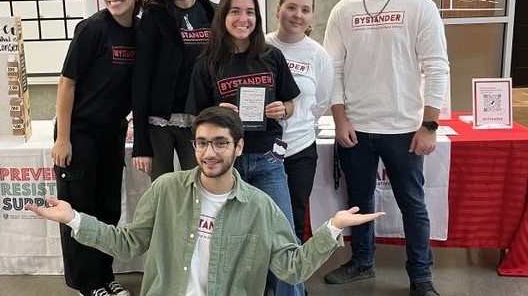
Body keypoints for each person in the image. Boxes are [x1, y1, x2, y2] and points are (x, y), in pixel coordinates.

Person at [27, 106, 386, 296]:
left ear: (238, 146)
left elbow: (291, 269)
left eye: (220, 143)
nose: (209, 153)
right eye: (201, 143)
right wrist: (74, 218)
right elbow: (129, 242)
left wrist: (333, 228)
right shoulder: (167, 189)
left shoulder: (260, 207)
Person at [322, 0, 449, 296]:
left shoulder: (419, 5)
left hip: (405, 128)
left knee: (413, 205)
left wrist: (429, 124)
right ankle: (362, 262)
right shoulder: (343, 10)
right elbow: (335, 69)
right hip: (356, 129)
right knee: (359, 204)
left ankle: (421, 276)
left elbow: (437, 67)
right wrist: (340, 118)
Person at [186, 0, 302, 296]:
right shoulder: (207, 63)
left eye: (250, 12)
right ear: (223, 16)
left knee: (283, 239)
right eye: (235, 11)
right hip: (225, 168)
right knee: (227, 242)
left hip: (266, 160)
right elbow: (195, 120)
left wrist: (283, 109)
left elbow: (290, 103)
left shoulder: (271, 56)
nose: (243, 18)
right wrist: (214, 113)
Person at [51, 0, 143, 296]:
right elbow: (66, 83)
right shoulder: (92, 28)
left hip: (113, 133)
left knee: (107, 208)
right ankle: (87, 283)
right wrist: (64, 137)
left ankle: (105, 275)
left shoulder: (140, 31)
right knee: (79, 209)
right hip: (79, 132)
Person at [132, 0, 216, 180]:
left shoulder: (213, 12)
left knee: (199, 188)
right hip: (159, 122)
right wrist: (141, 145)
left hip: (199, 120)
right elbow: (141, 78)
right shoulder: (154, 13)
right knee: (163, 193)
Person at [265, 0, 334, 243]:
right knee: (262, 217)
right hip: (262, 150)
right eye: (291, 7)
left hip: (300, 150)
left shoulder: (318, 55)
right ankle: (264, 280)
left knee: (294, 215)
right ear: (278, 9)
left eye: (305, 10)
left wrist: (296, 120)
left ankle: (291, 280)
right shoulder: (260, 45)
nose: (297, 15)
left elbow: (319, 103)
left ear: (311, 16)